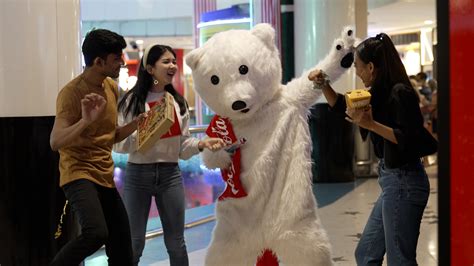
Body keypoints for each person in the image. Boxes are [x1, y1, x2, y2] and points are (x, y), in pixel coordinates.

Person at [309, 33, 434, 265]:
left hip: (405, 183)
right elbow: (340, 106)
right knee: (366, 254)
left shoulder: (400, 93)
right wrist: (323, 84)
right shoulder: (377, 94)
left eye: (358, 66)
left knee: (400, 260)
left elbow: (407, 137)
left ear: (371, 67)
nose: (356, 72)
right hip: (393, 182)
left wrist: (370, 125)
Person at [114, 44, 225, 266]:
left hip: (170, 175)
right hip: (138, 176)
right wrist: (146, 134)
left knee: (176, 243)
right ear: (150, 68)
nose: (172, 65)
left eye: (174, 61)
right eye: (166, 61)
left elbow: (182, 148)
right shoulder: (131, 102)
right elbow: (119, 145)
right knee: (134, 243)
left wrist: (201, 143)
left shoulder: (178, 102)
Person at [49, 29, 140, 265]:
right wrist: (85, 121)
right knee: (96, 232)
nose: (121, 62)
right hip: (78, 173)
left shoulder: (110, 87)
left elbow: (111, 135)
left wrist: (138, 124)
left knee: (122, 246)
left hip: (103, 175)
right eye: (116, 58)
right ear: (99, 62)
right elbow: (55, 141)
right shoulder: (71, 93)